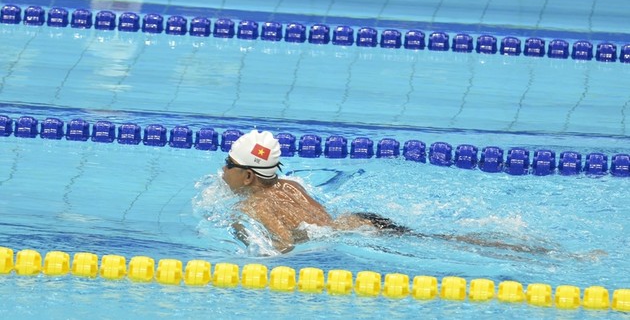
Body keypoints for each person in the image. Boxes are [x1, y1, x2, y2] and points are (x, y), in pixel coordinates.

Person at [222, 130, 562, 255]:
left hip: (351, 236)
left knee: (436, 243)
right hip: (357, 220)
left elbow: (284, 245)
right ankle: (523, 245)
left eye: (229, 165)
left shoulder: (254, 206)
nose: (224, 171)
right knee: (438, 237)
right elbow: (317, 219)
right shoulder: (290, 185)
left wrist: (241, 239)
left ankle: (526, 250)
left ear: (249, 176)